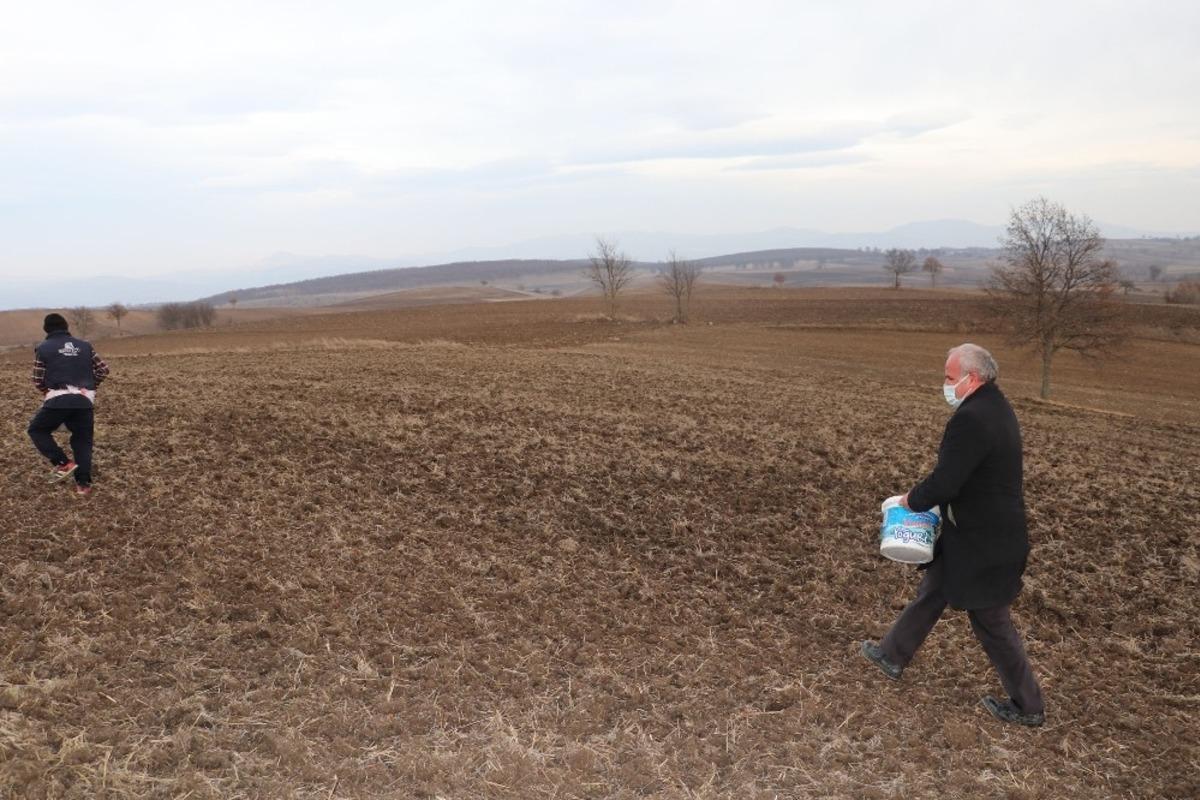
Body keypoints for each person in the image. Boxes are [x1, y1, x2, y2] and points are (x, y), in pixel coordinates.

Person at [861, 343, 1045, 727]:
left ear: (972, 378)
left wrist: (909, 501)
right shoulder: (997, 408)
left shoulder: (972, 419)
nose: (945, 385)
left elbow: (947, 481)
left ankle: (1029, 706)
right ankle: (892, 655)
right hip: (978, 536)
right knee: (935, 587)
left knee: (992, 621)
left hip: (986, 544)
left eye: (949, 378)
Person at [28, 313, 110, 497]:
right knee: (82, 440)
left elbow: (37, 379)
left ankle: (63, 462)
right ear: (66, 327)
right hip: (84, 400)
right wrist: (88, 387)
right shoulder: (85, 346)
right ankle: (83, 484)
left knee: (37, 430)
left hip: (58, 399)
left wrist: (48, 392)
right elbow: (104, 369)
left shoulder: (43, 348)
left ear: (46, 330)